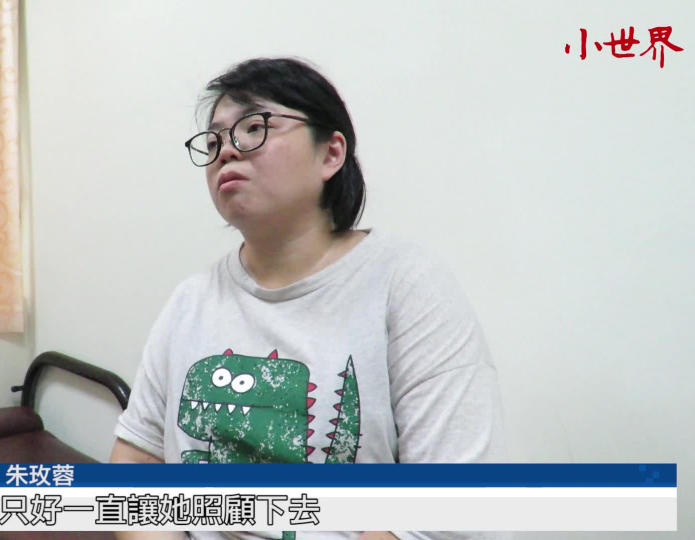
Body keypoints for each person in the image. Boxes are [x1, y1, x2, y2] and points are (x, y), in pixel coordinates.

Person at [110, 57, 508, 540]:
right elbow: (139, 459)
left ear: (330, 154)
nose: (226, 152)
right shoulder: (191, 300)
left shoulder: (406, 284)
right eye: (213, 142)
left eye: (253, 128)